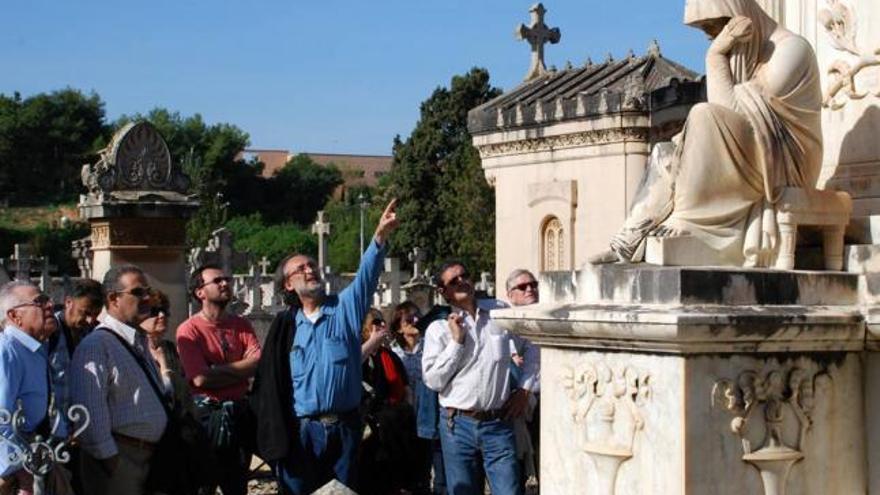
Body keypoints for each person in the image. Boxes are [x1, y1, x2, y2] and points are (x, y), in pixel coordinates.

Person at [592, 0, 822, 267]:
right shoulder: (748, 55)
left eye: (718, 27)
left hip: (784, 164)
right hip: (755, 153)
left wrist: (715, 57)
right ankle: (628, 241)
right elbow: (731, 121)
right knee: (665, 152)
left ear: (739, 15)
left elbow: (731, 115)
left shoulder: (790, 50)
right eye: (709, 33)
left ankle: (688, 221)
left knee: (703, 116)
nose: (715, 37)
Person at [251, 199, 399, 495]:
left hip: (344, 429)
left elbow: (367, 276)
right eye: (300, 269)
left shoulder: (344, 310)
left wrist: (379, 236)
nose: (310, 270)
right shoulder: (287, 327)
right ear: (288, 286)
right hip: (302, 431)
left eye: (312, 265)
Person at [422, 262, 539, 495]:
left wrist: (525, 390)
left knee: (509, 490)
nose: (461, 281)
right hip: (457, 425)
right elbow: (433, 381)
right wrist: (456, 342)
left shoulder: (499, 313)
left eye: (464, 275)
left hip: (498, 422)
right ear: (443, 291)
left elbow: (532, 344)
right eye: (453, 281)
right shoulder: (438, 329)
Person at [70, 265, 168, 495]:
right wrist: (112, 461)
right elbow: (91, 411)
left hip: (148, 457)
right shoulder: (96, 345)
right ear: (113, 298)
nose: (146, 298)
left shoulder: (139, 340)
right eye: (137, 293)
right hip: (120, 459)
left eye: (147, 291)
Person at [177, 264, 261, 495]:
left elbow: (258, 362)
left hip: (239, 415)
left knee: (237, 486)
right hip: (207, 419)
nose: (225, 284)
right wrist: (241, 370)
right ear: (200, 292)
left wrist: (217, 371)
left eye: (227, 279)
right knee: (204, 486)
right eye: (217, 281)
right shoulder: (189, 330)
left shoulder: (241, 325)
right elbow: (200, 379)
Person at [0, 281, 55, 495]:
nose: (50, 305)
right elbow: (2, 420)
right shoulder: (6, 352)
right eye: (39, 301)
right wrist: (20, 469)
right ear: (15, 316)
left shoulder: (34, 349)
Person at [358, 308, 417, 494]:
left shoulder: (389, 356)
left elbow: (405, 388)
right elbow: (348, 369)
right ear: (365, 328)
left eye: (382, 322)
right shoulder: (356, 352)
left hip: (392, 430)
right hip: (365, 432)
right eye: (376, 322)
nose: (381, 325)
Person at [390, 301, 444, 495]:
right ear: (398, 327)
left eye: (417, 316)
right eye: (408, 318)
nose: (415, 321)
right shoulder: (393, 352)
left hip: (430, 414)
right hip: (405, 418)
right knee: (413, 471)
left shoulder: (432, 346)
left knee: (437, 465)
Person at [504, 269, 541, 491]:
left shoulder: (548, 316)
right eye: (523, 286)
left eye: (533, 284)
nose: (530, 289)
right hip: (520, 400)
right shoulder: (507, 324)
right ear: (511, 295)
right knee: (517, 461)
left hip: (546, 398)